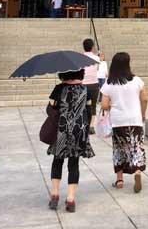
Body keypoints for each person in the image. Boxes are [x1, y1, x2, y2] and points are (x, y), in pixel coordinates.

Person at [47, 69, 94, 213]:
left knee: (57, 161)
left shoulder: (59, 88)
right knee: (74, 163)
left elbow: (50, 109)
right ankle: (71, 199)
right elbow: (89, 110)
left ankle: (54, 195)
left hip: (61, 130)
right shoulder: (86, 89)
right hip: (78, 130)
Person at [100, 52, 148, 193]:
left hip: (118, 121)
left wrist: (112, 105)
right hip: (135, 119)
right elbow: (144, 99)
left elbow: (103, 105)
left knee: (119, 149)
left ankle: (120, 180)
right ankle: (137, 170)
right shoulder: (137, 80)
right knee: (136, 147)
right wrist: (143, 113)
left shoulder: (110, 83)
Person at [82, 38, 101, 134]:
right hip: (93, 84)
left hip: (83, 84)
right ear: (92, 47)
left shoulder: (80, 58)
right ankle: (91, 126)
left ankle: (83, 124)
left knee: (83, 105)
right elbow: (97, 69)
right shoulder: (97, 59)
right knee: (93, 105)